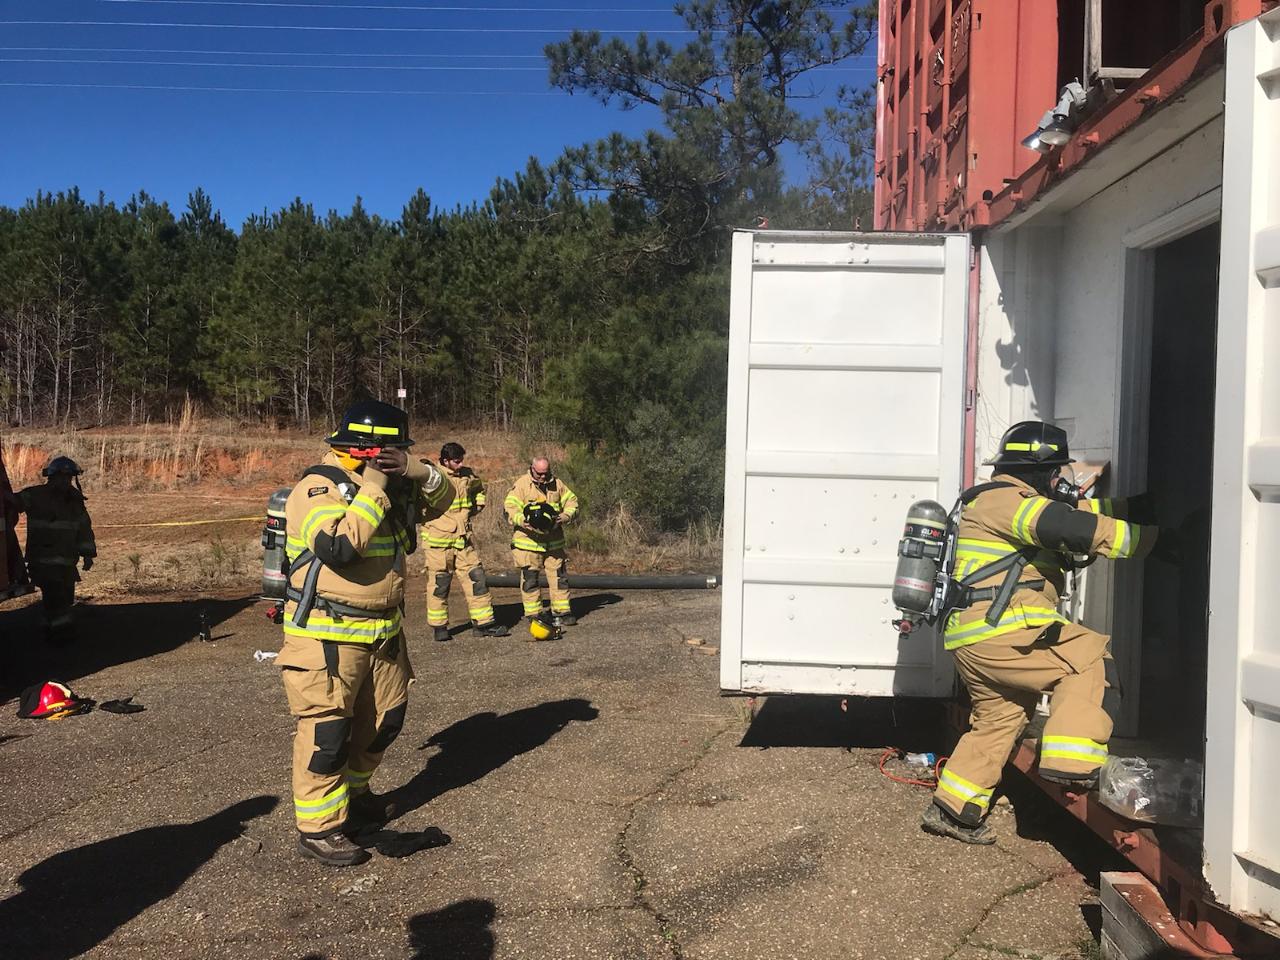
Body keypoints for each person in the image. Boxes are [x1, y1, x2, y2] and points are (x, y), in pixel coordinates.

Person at [922, 421, 1176, 844]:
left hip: (974, 639)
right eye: (1056, 470)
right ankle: (1072, 767)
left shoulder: (998, 500)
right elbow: (1070, 527)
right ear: (1039, 470)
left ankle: (953, 809)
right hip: (1002, 631)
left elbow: (1074, 513)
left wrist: (1133, 506)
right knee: (1088, 658)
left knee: (999, 721)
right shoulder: (1008, 501)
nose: (1061, 478)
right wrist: (1158, 541)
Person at [277, 400, 452, 866]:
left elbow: (443, 502)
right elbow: (338, 547)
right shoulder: (319, 487)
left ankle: (354, 801)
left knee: (383, 724)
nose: (395, 457)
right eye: (390, 449)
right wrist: (374, 486)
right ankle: (319, 828)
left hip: (384, 632)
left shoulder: (392, 483)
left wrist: (419, 471)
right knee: (328, 735)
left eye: (400, 451)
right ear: (365, 449)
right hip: (327, 636)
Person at [420, 441, 508, 642]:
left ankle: (484, 623)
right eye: (456, 462)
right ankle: (439, 627)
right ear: (445, 461)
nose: (460, 465)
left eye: (461, 461)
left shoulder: (467, 475)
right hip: (438, 544)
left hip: (463, 541)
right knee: (439, 586)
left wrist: (477, 506)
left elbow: (479, 490)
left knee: (477, 580)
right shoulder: (431, 477)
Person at [13, 457, 95, 644]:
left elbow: (84, 529)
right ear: (51, 477)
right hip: (43, 561)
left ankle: (48, 628)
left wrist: (88, 555)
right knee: (56, 599)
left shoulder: (75, 500)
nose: (65, 481)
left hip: (67, 563)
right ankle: (62, 636)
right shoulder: (34, 495)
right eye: (61, 477)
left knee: (64, 600)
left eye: (68, 478)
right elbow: (12, 504)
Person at [504, 457, 579, 627]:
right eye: (539, 474)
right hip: (528, 543)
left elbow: (572, 502)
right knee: (530, 580)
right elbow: (509, 508)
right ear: (532, 469)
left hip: (553, 542)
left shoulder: (557, 484)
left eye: (546, 473)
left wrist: (565, 516)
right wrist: (523, 520)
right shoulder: (522, 485)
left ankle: (562, 612)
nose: (543, 478)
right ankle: (534, 614)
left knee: (559, 578)